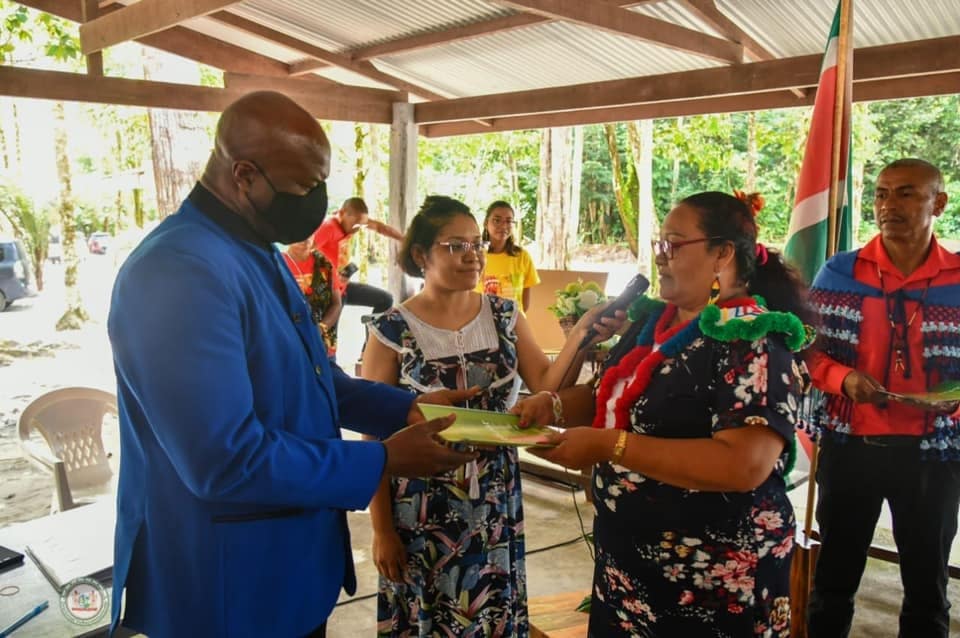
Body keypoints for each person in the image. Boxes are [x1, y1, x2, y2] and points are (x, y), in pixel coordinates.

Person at [107, 91, 478, 638]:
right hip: (229, 587)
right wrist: (379, 462)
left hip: (289, 569)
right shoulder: (178, 271)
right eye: (306, 187)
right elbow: (223, 459)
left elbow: (312, 377)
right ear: (245, 175)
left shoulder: (257, 251)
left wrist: (409, 409)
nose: (319, 202)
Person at [512, 191, 815, 637]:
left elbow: (745, 463)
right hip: (628, 559)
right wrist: (553, 405)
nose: (660, 258)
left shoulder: (751, 337)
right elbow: (610, 395)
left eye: (673, 245)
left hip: (712, 572)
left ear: (722, 254)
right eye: (658, 245)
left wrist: (608, 445)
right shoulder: (652, 321)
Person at [361, 195, 624, 637]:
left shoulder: (504, 315)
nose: (473, 255)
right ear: (422, 254)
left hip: (495, 501)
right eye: (456, 246)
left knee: (492, 612)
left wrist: (580, 335)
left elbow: (546, 384)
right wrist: (382, 530)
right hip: (421, 506)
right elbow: (374, 437)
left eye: (476, 244)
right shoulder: (391, 330)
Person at [806, 158, 960, 638]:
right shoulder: (840, 272)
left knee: (927, 590)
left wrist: (953, 399)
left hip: (932, 457)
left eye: (906, 193)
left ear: (939, 202)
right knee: (832, 582)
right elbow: (805, 351)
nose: (888, 205)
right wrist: (843, 379)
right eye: (881, 193)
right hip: (850, 450)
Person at [314, 196, 403, 315]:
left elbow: (379, 227)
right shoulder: (328, 228)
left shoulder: (356, 222)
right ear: (342, 214)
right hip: (327, 292)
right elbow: (304, 251)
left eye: (361, 226)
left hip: (343, 287)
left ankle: (373, 334)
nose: (357, 230)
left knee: (385, 299)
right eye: (355, 225)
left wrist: (404, 239)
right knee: (327, 332)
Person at [477, 200, 540, 313]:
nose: (503, 226)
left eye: (509, 221)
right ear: (486, 223)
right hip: (483, 323)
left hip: (514, 324)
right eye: (497, 220)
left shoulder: (522, 256)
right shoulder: (476, 255)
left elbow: (524, 304)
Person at [282, 237, 341, 355]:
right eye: (299, 233)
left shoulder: (324, 264)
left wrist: (320, 329)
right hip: (289, 346)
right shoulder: (278, 265)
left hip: (322, 345)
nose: (305, 238)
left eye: (309, 232)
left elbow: (336, 304)